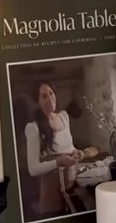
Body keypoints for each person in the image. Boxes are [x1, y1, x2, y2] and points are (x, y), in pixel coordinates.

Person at [24, 82, 84, 216]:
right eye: (44, 96)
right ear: (37, 102)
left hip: (72, 188)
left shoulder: (64, 117)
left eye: (51, 93)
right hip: (52, 196)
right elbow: (32, 169)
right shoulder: (34, 128)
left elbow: (69, 147)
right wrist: (59, 162)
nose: (50, 99)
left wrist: (76, 151)